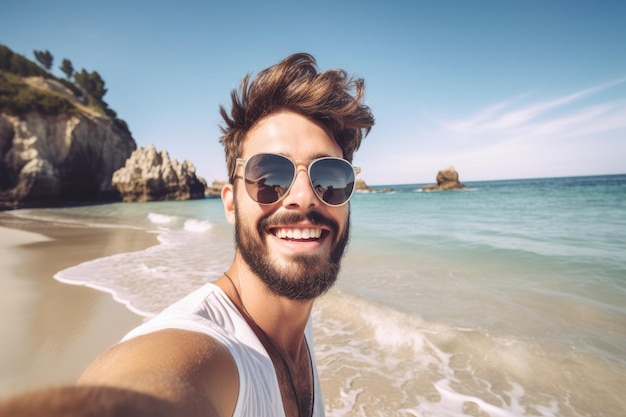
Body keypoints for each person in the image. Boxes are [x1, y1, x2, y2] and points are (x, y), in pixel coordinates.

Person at [26, 53, 374, 417]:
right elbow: (146, 385)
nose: (303, 196)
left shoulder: (296, 323)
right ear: (230, 203)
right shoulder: (205, 348)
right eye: (270, 175)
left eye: (330, 178)